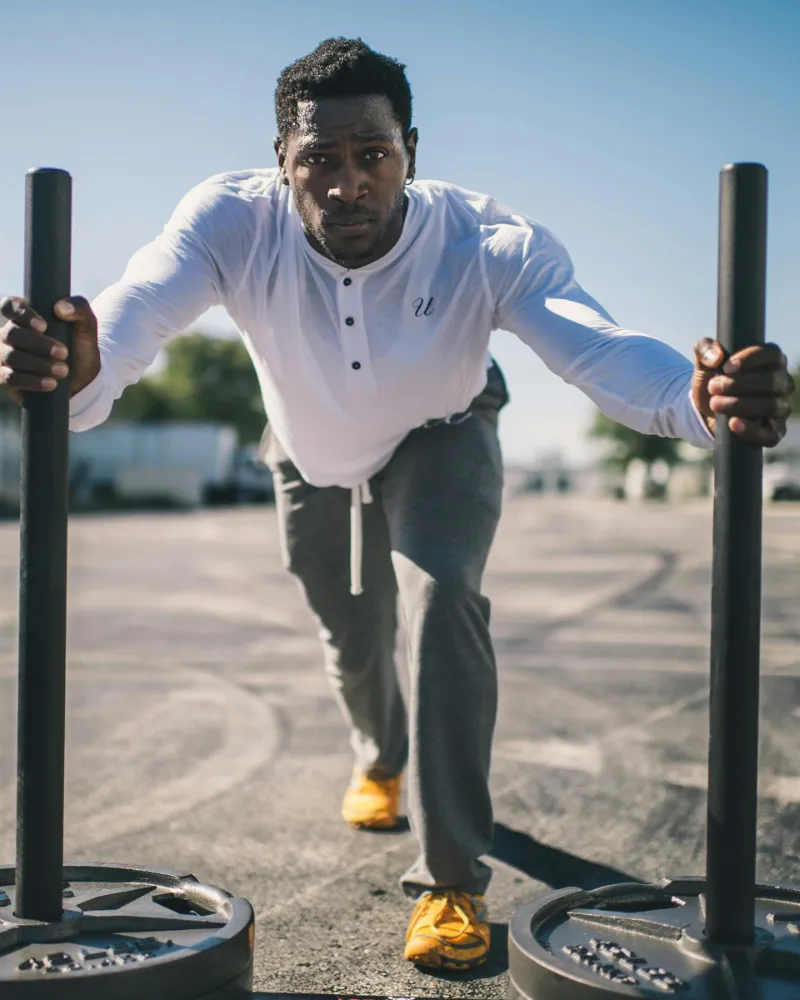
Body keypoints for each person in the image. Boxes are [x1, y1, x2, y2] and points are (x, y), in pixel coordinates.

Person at [1, 37, 794, 972]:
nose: (348, 184)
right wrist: (83, 362)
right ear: (281, 162)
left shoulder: (485, 242)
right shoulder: (228, 221)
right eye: (320, 159)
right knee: (350, 629)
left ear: (410, 152)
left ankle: (450, 878)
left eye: (372, 154)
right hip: (307, 444)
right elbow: (135, 311)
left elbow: (599, 348)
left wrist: (696, 399)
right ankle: (379, 755)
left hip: (442, 428)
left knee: (440, 596)